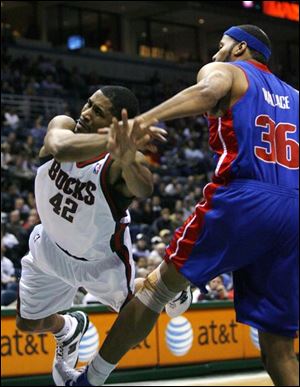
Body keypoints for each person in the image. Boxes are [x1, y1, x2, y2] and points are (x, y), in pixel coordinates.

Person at [57, 25, 299, 386]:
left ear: (240, 48)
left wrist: (143, 120)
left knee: (155, 291)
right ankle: (189, 278)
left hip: (246, 196)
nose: (216, 53)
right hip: (294, 211)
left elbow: (207, 91)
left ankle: (89, 379)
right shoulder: (295, 96)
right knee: (279, 345)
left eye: (221, 46)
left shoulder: (230, 71)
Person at [15, 85, 170, 386]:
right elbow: (59, 147)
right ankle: (69, 327)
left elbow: (144, 188)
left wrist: (127, 157)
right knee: (26, 324)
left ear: (115, 124)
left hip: (98, 261)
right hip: (49, 248)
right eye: (88, 104)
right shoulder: (62, 125)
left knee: (136, 311)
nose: (85, 112)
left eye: (98, 112)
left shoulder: (116, 164)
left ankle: (169, 286)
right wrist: (113, 140)